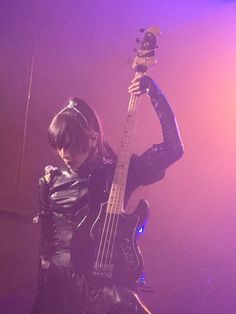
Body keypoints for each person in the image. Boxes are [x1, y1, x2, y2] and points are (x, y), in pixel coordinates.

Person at [31, 74, 183, 314]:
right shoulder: (50, 181)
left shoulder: (119, 173)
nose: (63, 154)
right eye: (58, 145)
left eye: (70, 145)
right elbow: (45, 252)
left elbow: (173, 149)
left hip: (104, 290)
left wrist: (155, 93)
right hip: (58, 290)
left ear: (92, 139)